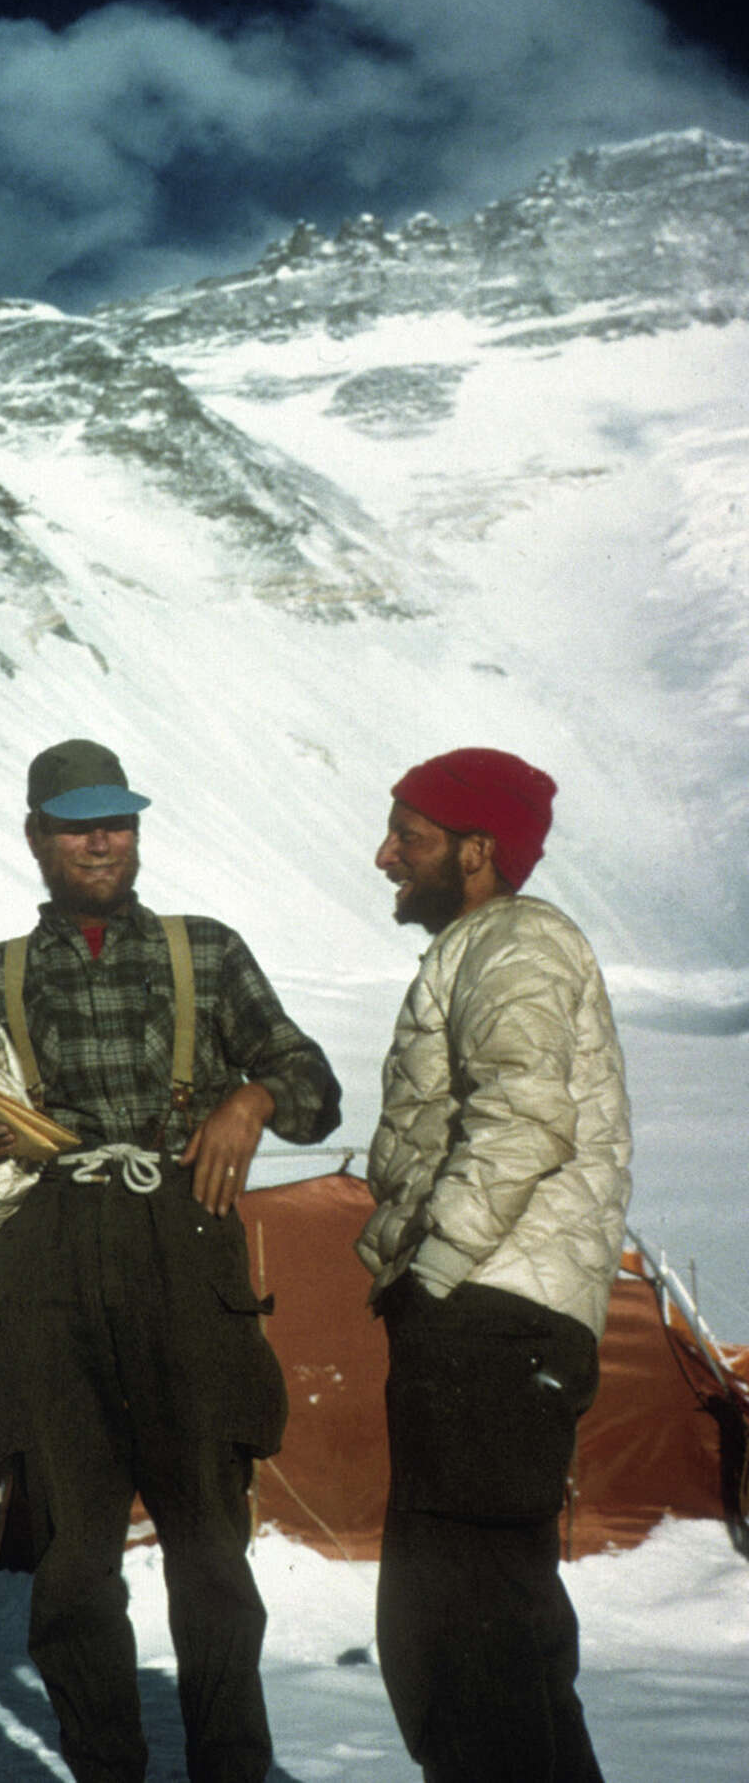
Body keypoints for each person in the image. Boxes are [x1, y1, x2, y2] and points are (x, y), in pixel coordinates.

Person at [0, 738, 342, 1783]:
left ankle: (231, 1769)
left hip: (182, 1242)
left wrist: (251, 1099)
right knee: (69, 1560)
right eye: (76, 824)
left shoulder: (208, 953)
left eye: (118, 820)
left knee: (210, 1548)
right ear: (36, 838)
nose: (101, 839)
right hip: (44, 1263)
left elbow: (315, 1087)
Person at [357, 746, 632, 1783]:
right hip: (507, 1320)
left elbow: (524, 1113)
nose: (386, 856)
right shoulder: (489, 946)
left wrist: (433, 1278)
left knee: (451, 1641)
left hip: (487, 1319)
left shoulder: (515, 944)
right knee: (501, 1640)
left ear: (478, 850)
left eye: (410, 836)